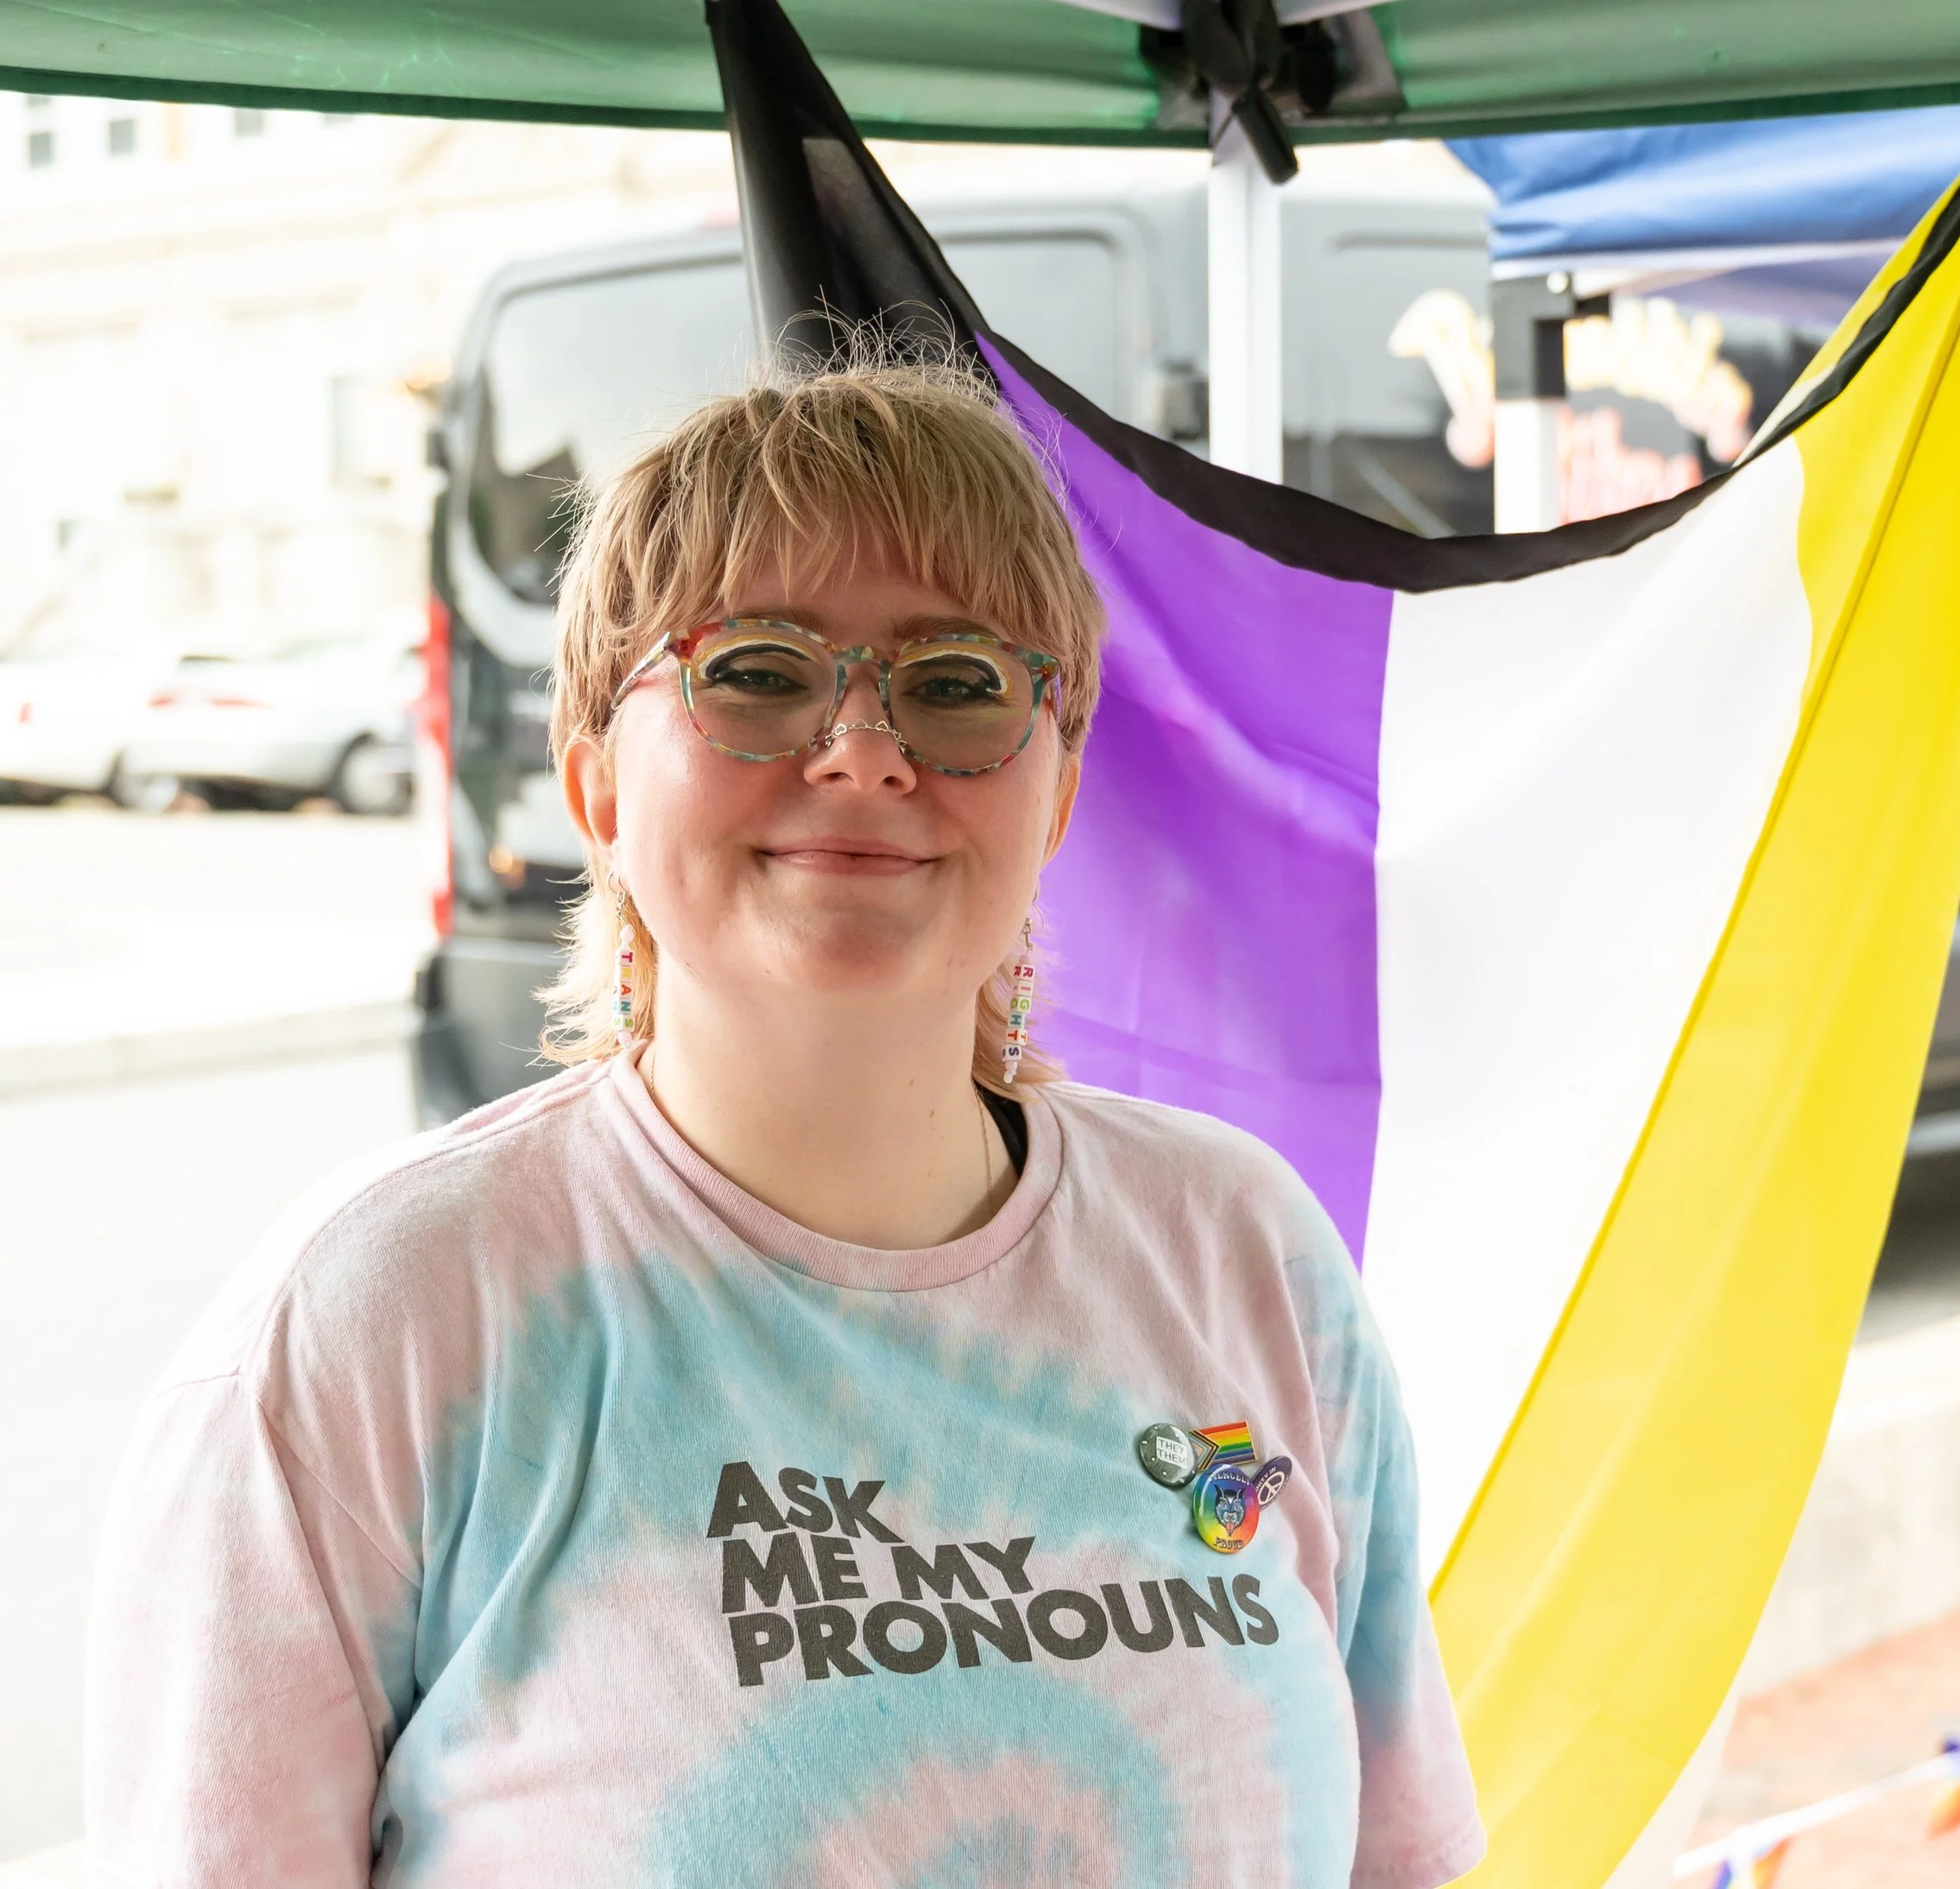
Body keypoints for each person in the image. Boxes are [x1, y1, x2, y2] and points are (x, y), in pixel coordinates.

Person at [83, 355, 1484, 1887]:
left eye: (957, 683)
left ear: (1060, 790)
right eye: (755, 671)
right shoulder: (375, 1332)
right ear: (598, 785)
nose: (865, 751)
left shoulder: (1244, 1252)